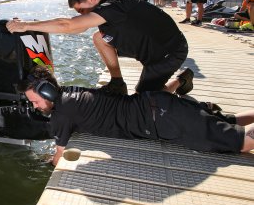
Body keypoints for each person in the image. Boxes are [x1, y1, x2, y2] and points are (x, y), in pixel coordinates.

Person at [20, 66, 254, 166]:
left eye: (35, 100)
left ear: (47, 92)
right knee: (228, 122)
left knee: (241, 143)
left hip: (164, 118)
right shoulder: (71, 93)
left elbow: (58, 157)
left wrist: (42, 165)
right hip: (158, 105)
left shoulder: (62, 113)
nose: (35, 106)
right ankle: (182, 80)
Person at [6, 0, 193, 96]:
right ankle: (117, 83)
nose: (81, 15)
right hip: (151, 48)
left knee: (145, 99)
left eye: (81, 10)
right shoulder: (109, 1)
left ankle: (181, 80)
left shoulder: (114, 6)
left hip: (169, 52)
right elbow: (75, 29)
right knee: (99, 37)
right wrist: (35, 24)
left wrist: (26, 25)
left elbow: (69, 25)